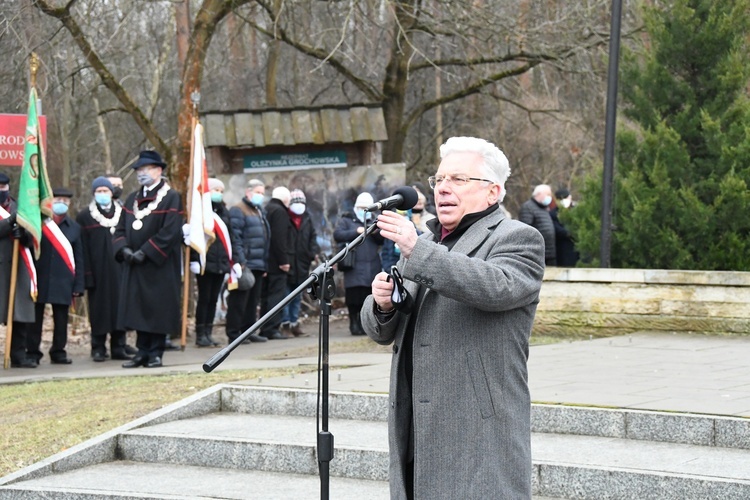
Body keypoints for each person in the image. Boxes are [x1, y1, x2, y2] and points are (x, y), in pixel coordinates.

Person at [361, 136, 545, 499]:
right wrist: (382, 304)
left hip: (475, 423)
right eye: (439, 180)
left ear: (493, 192)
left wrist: (417, 249)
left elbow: (495, 287)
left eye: (458, 179)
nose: (443, 188)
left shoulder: (518, 237)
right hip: (415, 418)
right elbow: (384, 332)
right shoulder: (427, 241)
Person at [113, 150, 183, 368]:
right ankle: (141, 352)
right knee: (138, 309)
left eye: (146, 170)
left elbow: (170, 232)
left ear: (159, 171)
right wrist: (124, 249)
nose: (141, 174)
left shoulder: (171, 197)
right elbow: (121, 228)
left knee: (157, 309)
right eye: (139, 171)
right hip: (134, 264)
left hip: (158, 264)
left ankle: (155, 352)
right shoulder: (133, 198)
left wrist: (146, 251)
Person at [27, 187, 85, 365]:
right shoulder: (39, 223)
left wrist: (78, 286)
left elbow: (79, 258)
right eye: (58, 199)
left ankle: (58, 351)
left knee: (61, 319)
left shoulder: (74, 228)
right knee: (35, 319)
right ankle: (33, 352)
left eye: (65, 201)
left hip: (63, 279)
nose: (61, 203)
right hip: (41, 276)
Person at [76, 177, 132, 362]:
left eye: (105, 191)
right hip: (98, 272)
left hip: (119, 270)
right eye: (98, 191)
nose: (102, 194)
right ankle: (98, 347)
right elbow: (82, 248)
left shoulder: (123, 213)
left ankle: (119, 346)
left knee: (120, 310)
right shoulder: (85, 216)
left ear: (111, 193)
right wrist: (87, 276)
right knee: (99, 311)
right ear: (93, 194)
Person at [189, 178, 241, 347]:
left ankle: (208, 333)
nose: (218, 193)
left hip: (221, 262)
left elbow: (231, 237)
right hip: (206, 262)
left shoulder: (223, 211)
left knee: (213, 299)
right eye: (215, 189)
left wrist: (236, 261)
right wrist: (194, 260)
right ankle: (200, 334)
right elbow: (194, 237)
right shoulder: (200, 211)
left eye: (220, 190)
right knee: (204, 299)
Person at [333, 191, 384, 336]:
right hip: (353, 265)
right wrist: (357, 231)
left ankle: (365, 324)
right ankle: (353, 323)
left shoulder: (375, 220)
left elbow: (383, 239)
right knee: (354, 297)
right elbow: (338, 235)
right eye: (361, 208)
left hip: (372, 265)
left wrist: (375, 232)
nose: (364, 211)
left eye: (366, 208)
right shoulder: (347, 220)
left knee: (368, 297)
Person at [0, 173, 37, 368]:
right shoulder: (13, 213)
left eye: (4, 186)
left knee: (19, 312)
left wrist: (23, 236)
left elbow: (33, 235)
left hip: (18, 265)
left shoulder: (20, 207)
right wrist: (9, 223)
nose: (1, 190)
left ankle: (18, 355)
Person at [226, 179, 269, 344]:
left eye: (262, 193)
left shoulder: (259, 211)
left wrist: (264, 262)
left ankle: (249, 330)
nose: (260, 196)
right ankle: (234, 332)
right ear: (248, 192)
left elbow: (265, 236)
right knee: (239, 299)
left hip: (258, 262)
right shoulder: (238, 210)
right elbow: (235, 236)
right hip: (245, 262)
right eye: (258, 192)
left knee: (253, 300)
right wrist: (240, 260)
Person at [280, 189, 319, 337]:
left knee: (297, 296)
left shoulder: (307, 219)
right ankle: (285, 324)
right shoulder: (285, 218)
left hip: (302, 263)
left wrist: (311, 253)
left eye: (301, 202)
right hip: (288, 263)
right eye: (296, 202)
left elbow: (313, 239)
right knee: (286, 295)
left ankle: (294, 323)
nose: (299, 205)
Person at [259, 186, 293, 340]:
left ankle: (265, 328)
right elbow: (279, 238)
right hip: (276, 263)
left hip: (267, 261)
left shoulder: (267, 208)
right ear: (285, 199)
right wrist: (283, 260)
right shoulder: (280, 211)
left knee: (266, 297)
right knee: (275, 296)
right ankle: (272, 328)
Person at [518, 183, 556, 266]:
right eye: (548, 194)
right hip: (536, 253)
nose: (550, 197)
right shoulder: (528, 207)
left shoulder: (544, 208)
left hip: (549, 252)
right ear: (539, 194)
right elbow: (525, 230)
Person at [552, 188, 579, 267]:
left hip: (577, 245)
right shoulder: (553, 213)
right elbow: (556, 228)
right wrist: (569, 233)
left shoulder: (576, 211)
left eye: (565, 198)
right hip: (562, 246)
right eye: (560, 198)